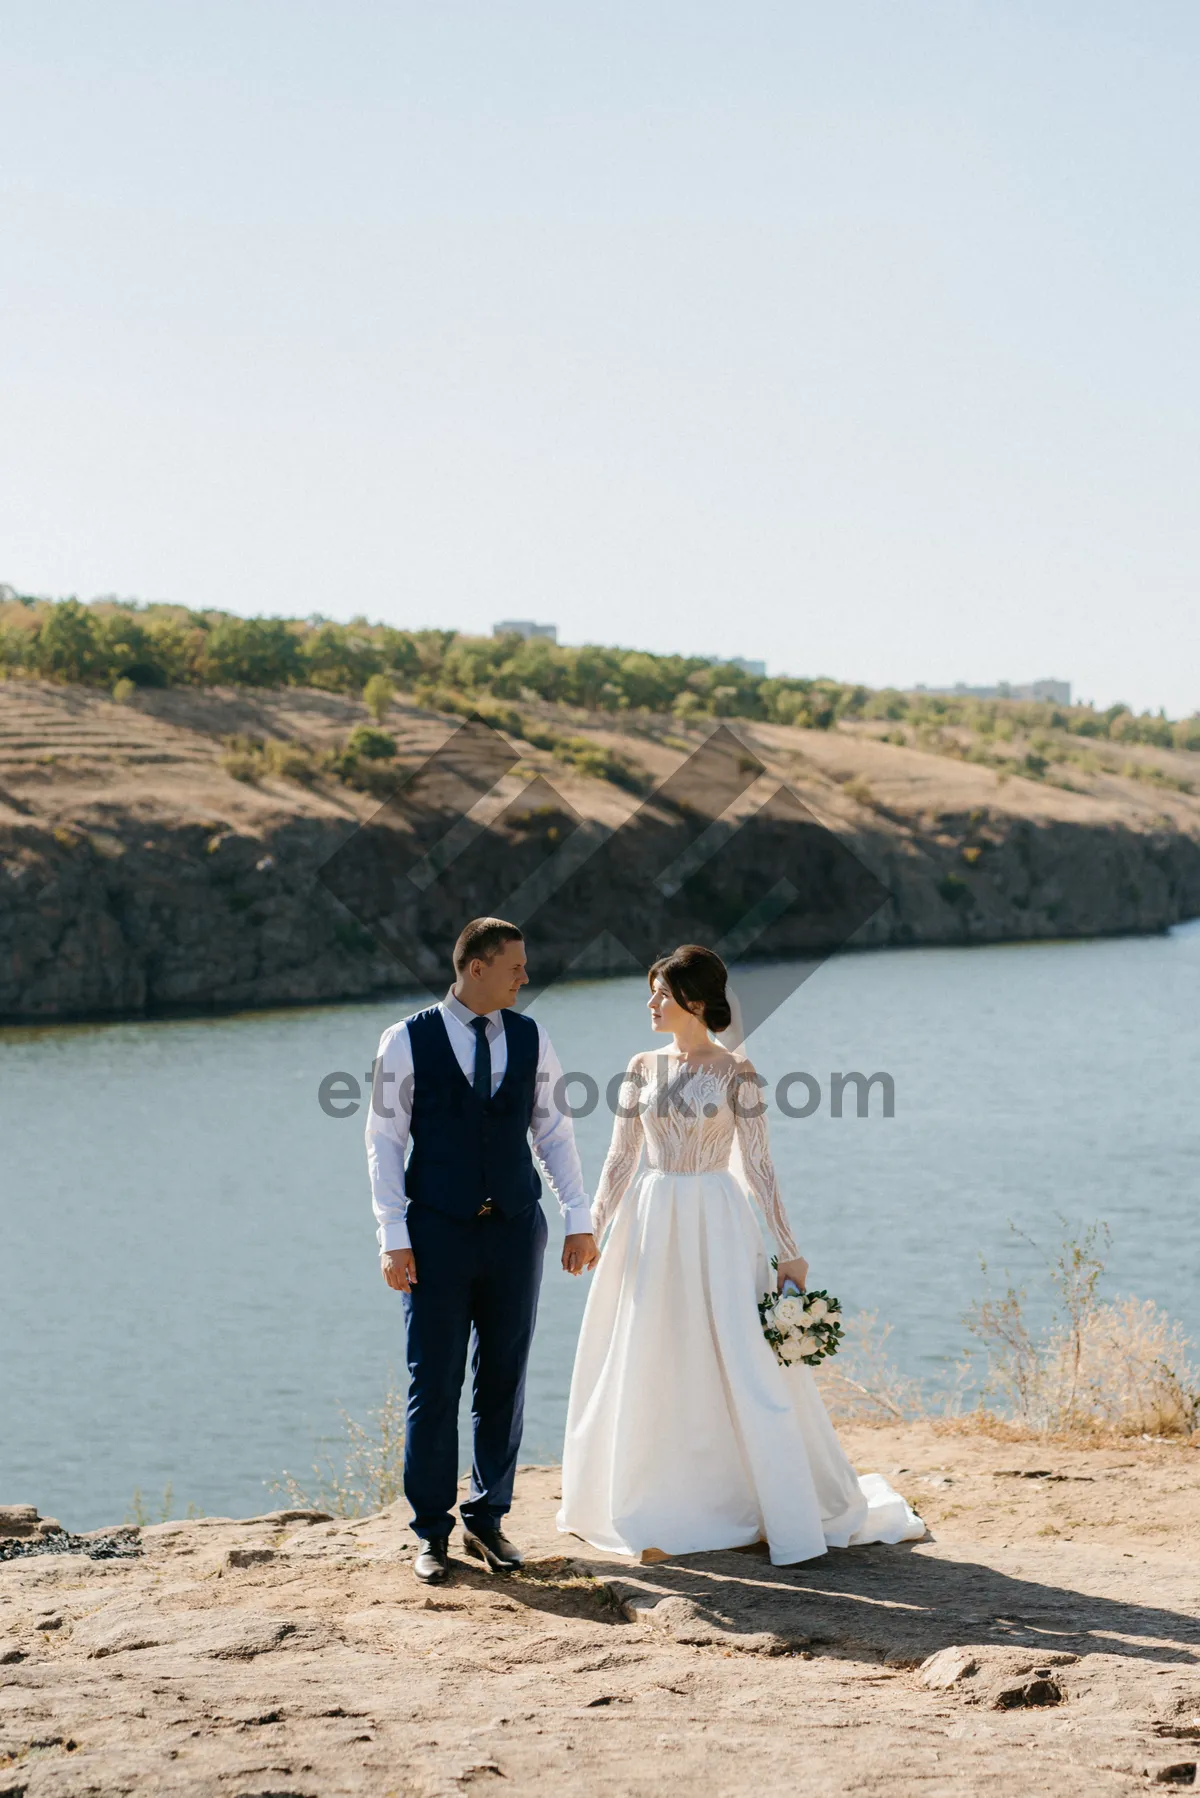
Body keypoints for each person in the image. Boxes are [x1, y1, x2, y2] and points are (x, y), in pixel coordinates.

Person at [557, 943, 923, 1565]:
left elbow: (758, 1168)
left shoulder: (737, 1075)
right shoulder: (640, 1066)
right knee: (650, 1352)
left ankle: (752, 1497)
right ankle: (656, 1497)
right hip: (650, 1223)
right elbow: (620, 1159)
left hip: (718, 1225)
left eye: (661, 995)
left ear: (694, 1002)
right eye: (650, 992)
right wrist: (592, 1228)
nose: (650, 1004)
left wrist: (789, 1252)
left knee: (740, 1359)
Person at [367, 917, 598, 1585]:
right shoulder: (405, 1041)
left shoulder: (532, 1037)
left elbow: (554, 1132)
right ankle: (431, 1532)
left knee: (504, 1378)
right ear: (475, 967)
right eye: (514, 966)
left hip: (515, 1231)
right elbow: (383, 1142)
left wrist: (576, 1216)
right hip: (436, 1234)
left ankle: (488, 1516)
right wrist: (393, 1236)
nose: (526, 977)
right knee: (433, 1383)